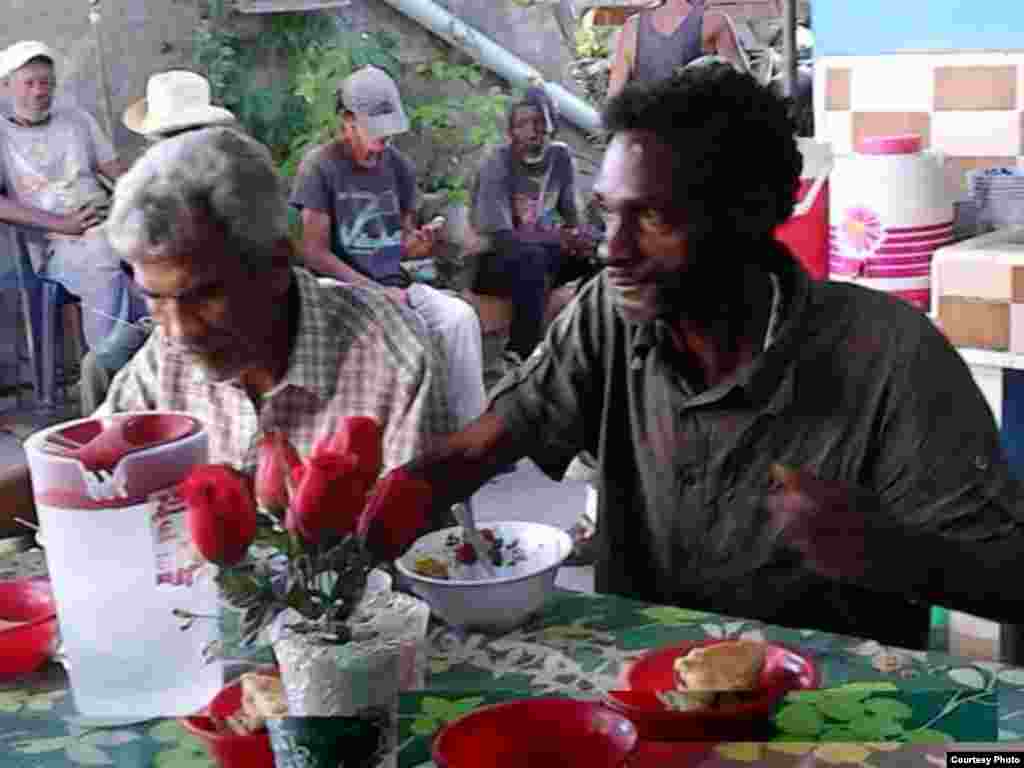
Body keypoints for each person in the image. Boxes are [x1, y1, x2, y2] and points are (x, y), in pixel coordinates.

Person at [394, 64, 1024, 651]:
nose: (612, 250)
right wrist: (397, 491)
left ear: (750, 216)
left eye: (653, 219)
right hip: (646, 695)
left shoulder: (892, 358)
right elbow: (481, 448)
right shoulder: (606, 315)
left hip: (833, 719)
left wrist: (891, 552)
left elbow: (1011, 578)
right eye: (609, 214)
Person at [0, 126, 453, 536]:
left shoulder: (393, 357)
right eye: (155, 297)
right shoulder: (165, 358)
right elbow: (87, 476)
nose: (178, 330)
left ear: (276, 264)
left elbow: (409, 554)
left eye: (204, 295)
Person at [290, 65, 485, 431]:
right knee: (405, 326)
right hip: (341, 291)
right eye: (375, 130)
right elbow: (314, 253)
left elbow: (402, 243)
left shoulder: (398, 166)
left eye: (389, 131)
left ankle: (470, 437)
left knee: (460, 319)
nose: (384, 141)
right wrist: (375, 291)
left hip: (395, 286)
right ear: (347, 121)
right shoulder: (320, 166)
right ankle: (415, 437)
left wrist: (418, 245)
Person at [77, 70, 238, 414]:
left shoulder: (227, 183)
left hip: (214, 315)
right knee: (97, 366)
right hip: (165, 317)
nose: (156, 147)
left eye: (168, 138)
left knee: (121, 367)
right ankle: (113, 462)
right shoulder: (153, 183)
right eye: (158, 140)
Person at [0, 40, 132, 349]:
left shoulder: (76, 119)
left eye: (46, 83)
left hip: (106, 224)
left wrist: (141, 199)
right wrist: (61, 224)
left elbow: (117, 172)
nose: (38, 91)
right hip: (54, 244)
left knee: (157, 255)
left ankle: (142, 363)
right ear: (6, 86)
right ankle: (108, 368)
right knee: (104, 260)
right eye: (28, 83)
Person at [466, 85, 597, 362]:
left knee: (601, 251)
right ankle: (521, 353)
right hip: (493, 262)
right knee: (533, 257)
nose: (531, 132)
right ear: (510, 132)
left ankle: (588, 342)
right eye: (522, 124)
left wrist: (583, 239)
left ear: (553, 127)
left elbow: (574, 221)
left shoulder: (560, 158)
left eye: (539, 123)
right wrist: (558, 239)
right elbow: (500, 238)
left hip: (541, 253)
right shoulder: (497, 162)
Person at [607, 0, 746, 100]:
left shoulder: (632, 26)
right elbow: (745, 91)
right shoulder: (715, 21)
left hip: (642, 132)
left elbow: (613, 99)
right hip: (691, 134)